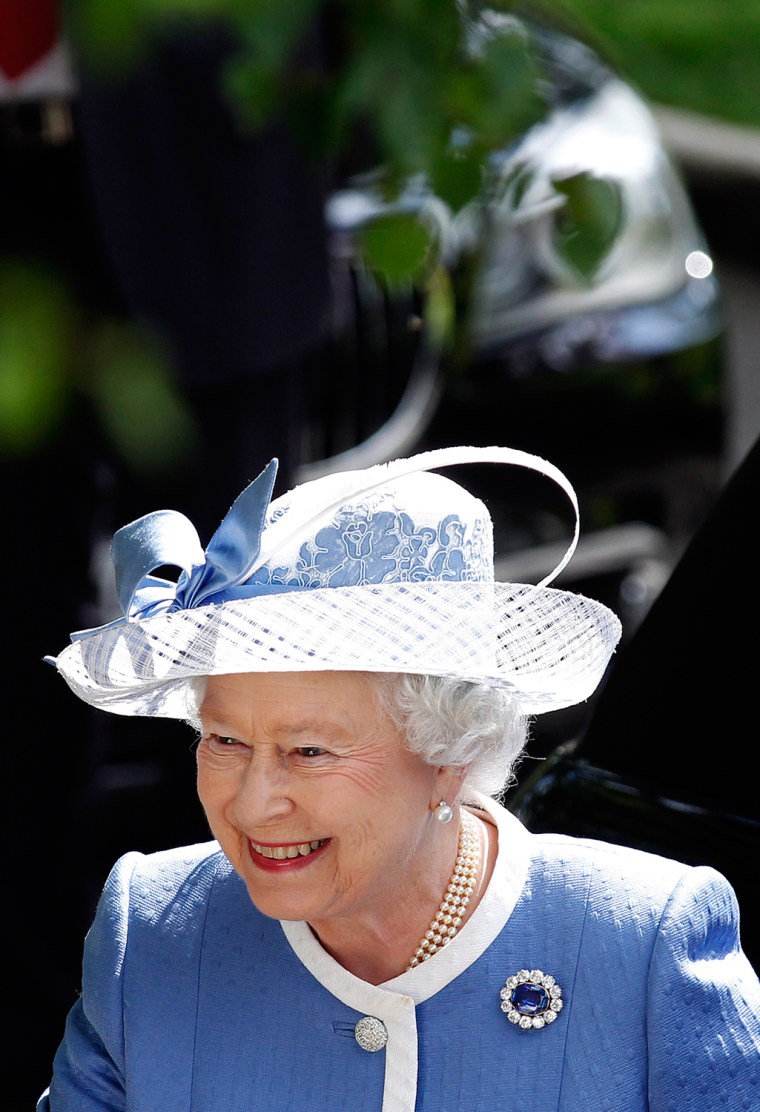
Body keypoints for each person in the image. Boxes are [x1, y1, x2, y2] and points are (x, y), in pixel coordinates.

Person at [38, 445, 759, 1110]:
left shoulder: (641, 948)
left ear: (449, 752)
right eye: (225, 739)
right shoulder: (150, 939)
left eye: (309, 752)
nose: (254, 803)